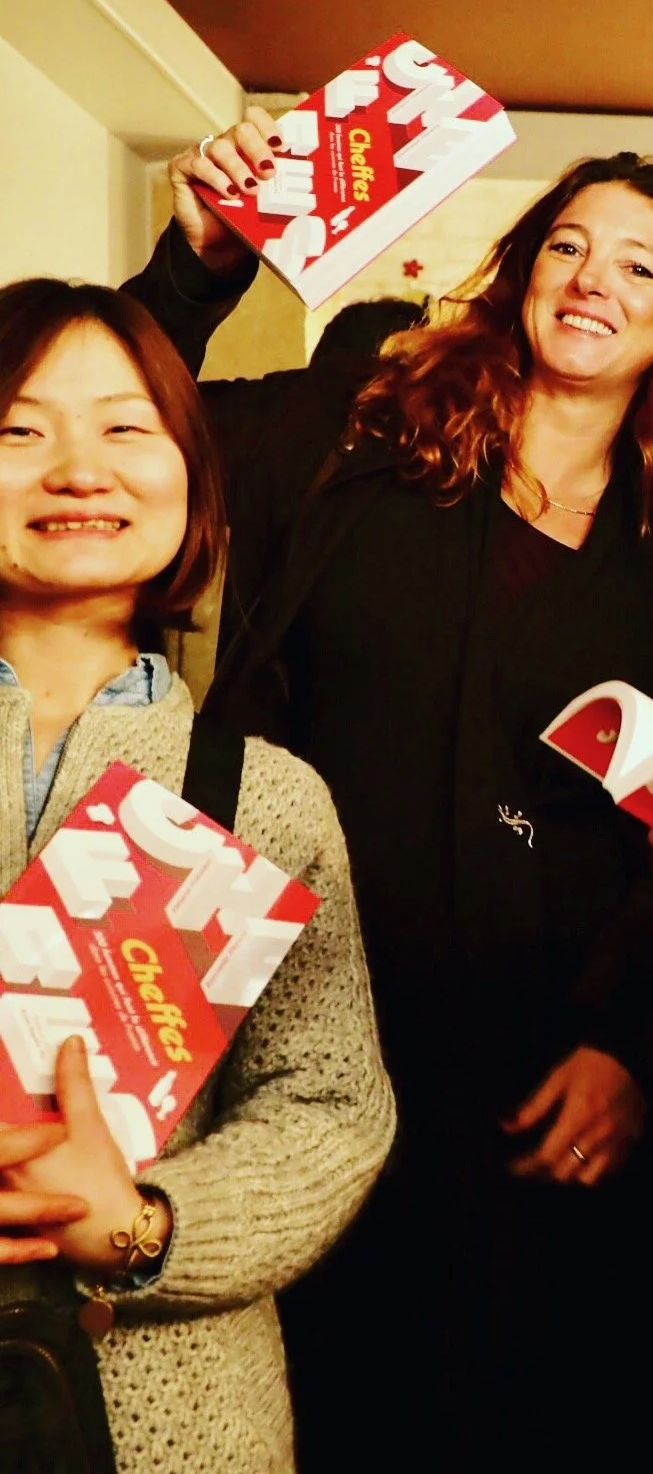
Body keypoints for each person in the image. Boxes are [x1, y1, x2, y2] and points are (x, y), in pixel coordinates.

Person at [123, 123, 653, 1471]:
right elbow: (132, 414)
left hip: (543, 1075)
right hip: (301, 1043)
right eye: (568, 244)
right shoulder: (356, 445)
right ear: (519, 273)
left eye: (640, 264)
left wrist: (635, 1049)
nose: (593, 278)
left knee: (535, 1415)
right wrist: (198, 269)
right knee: (316, 1406)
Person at [0, 278, 394, 1471]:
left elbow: (330, 1110)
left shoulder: (263, 797)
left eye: (127, 427)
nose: (79, 468)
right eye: (20, 430)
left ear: (193, 474)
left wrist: (139, 1222)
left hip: (175, 1416)